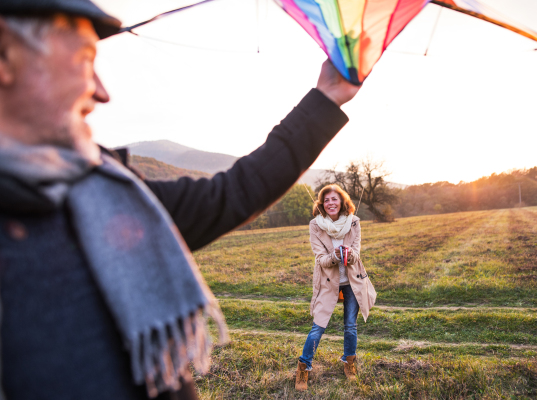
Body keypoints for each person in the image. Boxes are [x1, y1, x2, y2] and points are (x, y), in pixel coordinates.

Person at [0, 0, 362, 399]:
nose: (102, 92)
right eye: (85, 60)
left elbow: (233, 193)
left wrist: (326, 98)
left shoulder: (109, 189)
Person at [295, 184, 376, 391]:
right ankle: (303, 367)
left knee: (350, 325)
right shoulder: (315, 225)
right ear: (322, 204)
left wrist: (349, 254)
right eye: (327, 200)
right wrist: (335, 256)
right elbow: (320, 259)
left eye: (334, 199)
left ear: (342, 201)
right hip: (327, 283)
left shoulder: (354, 222)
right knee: (318, 326)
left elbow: (357, 254)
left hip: (352, 282)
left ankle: (349, 363)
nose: (331, 203)